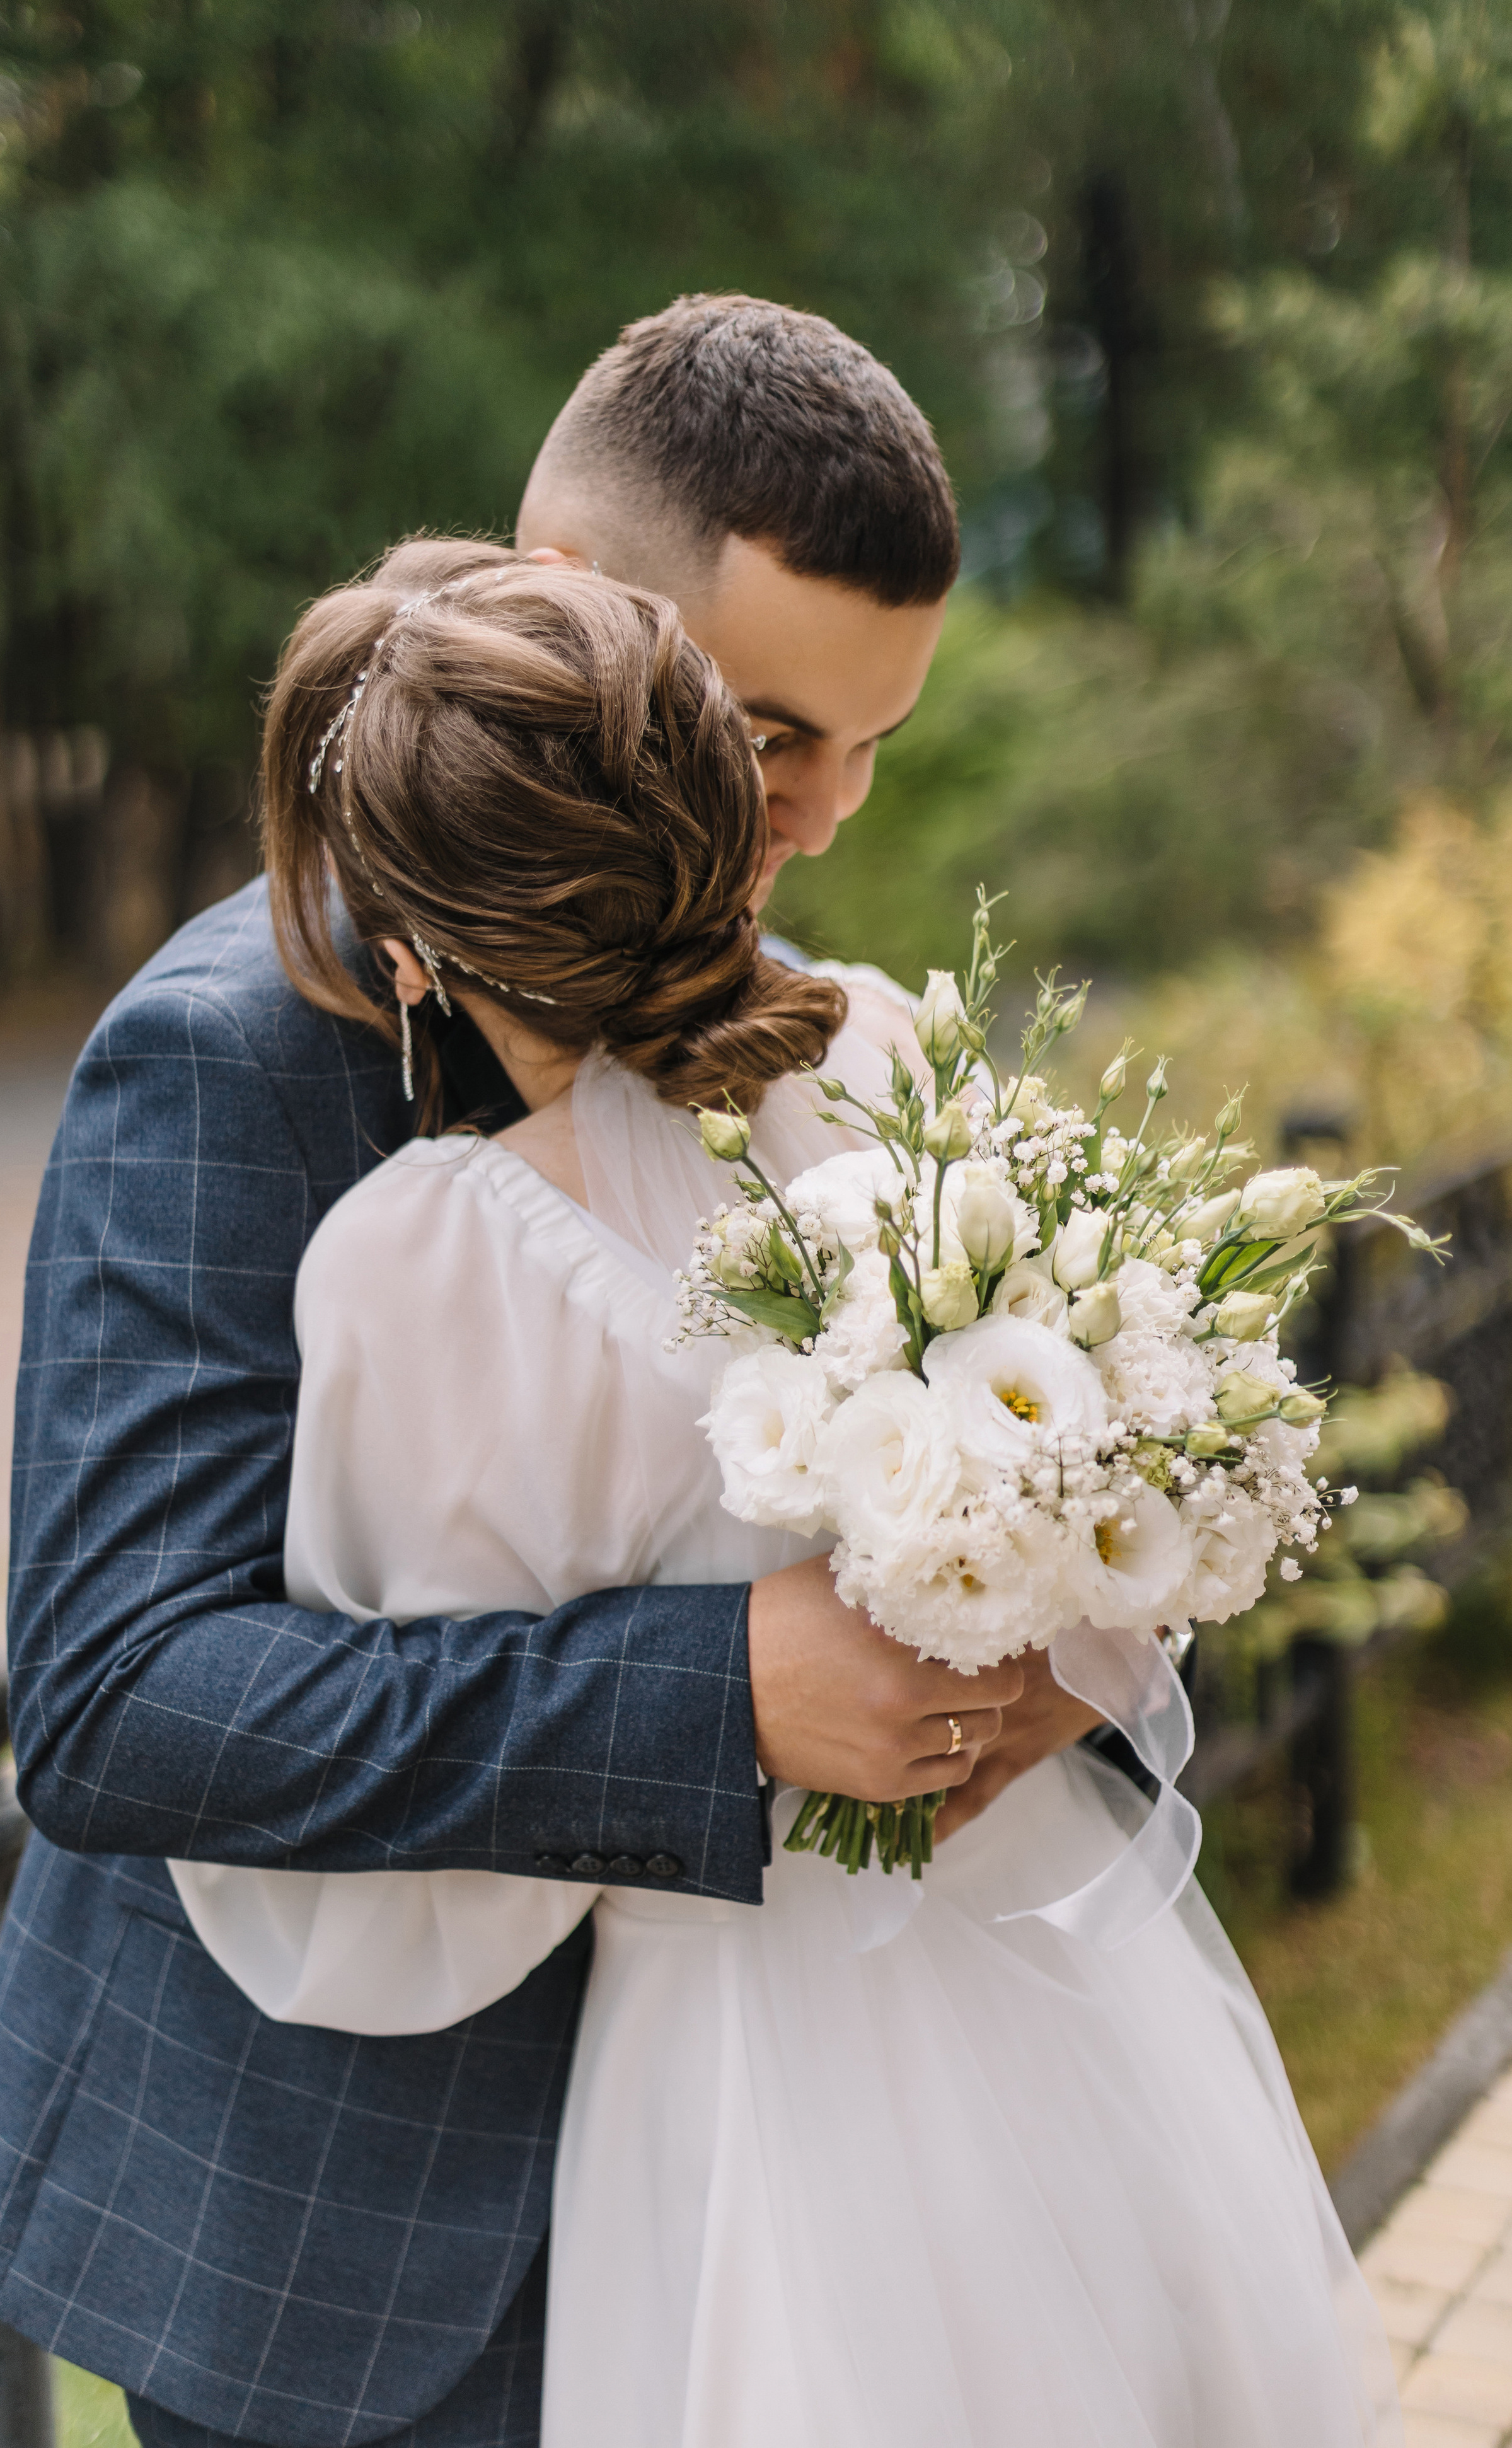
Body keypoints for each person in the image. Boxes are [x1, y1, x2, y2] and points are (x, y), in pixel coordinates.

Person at [0, 296, 1086, 2448]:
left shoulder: (815, 1031)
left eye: (872, 744)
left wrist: (1056, 1621)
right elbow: (118, 1697)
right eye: (768, 734)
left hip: (783, 2153)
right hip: (351, 2244)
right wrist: (720, 1691)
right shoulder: (227, 1052)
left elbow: (998, 1422)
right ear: (559, 606)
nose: (821, 818)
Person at [176, 543, 1400, 2447]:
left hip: (743, 2050)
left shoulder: (431, 1258)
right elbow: (1120, 1454)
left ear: (409, 954)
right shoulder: (888, 1055)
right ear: (724, 825)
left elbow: (390, 1897)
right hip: (1057, 1957)